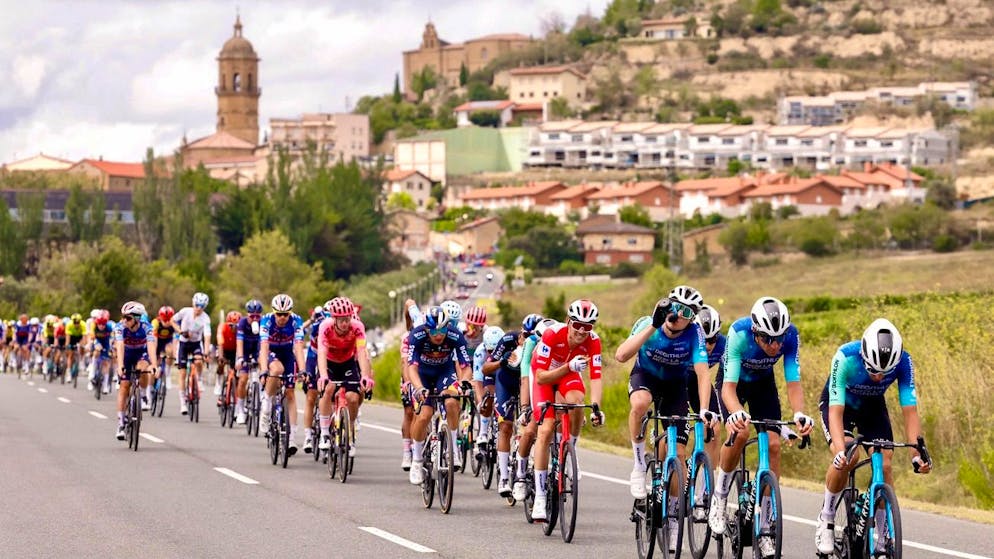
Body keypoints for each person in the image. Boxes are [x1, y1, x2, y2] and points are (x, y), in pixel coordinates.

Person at [814, 319, 931, 556]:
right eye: (873, 370)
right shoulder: (845, 357)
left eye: (885, 372)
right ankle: (826, 517)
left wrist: (916, 455)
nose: (878, 377)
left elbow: (910, 412)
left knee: (885, 463)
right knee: (849, 456)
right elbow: (835, 412)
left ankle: (883, 535)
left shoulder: (904, 362)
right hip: (840, 406)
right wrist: (839, 451)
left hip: (872, 407)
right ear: (864, 354)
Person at [708, 297, 815, 559]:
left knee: (775, 445)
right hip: (732, 384)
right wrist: (736, 413)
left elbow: (793, 382)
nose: (775, 345)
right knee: (740, 432)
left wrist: (799, 413)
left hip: (763, 386)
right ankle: (720, 496)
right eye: (768, 339)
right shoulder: (739, 333)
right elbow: (728, 389)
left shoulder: (791, 336)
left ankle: (766, 526)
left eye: (779, 338)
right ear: (756, 332)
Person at [615, 286, 718, 550]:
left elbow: (703, 373)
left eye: (686, 312)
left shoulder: (695, 333)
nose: (678, 315)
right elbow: (621, 356)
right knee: (640, 403)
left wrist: (704, 408)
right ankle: (639, 465)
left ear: (692, 318)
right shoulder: (648, 323)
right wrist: (653, 325)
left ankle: (673, 520)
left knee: (677, 454)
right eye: (675, 307)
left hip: (674, 386)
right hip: (645, 377)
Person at [530, 299, 605, 521]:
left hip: (568, 375)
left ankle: (570, 449)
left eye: (587, 326)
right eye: (577, 325)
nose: (582, 331)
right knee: (546, 429)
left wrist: (596, 408)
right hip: (544, 377)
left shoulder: (594, 341)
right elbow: (541, 377)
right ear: (568, 321)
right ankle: (540, 496)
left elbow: (596, 376)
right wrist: (568, 367)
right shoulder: (552, 334)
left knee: (578, 401)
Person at [407, 306, 472, 485]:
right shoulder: (417, 335)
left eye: (442, 330)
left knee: (452, 403)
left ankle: (453, 449)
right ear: (427, 329)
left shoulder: (455, 335)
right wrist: (419, 388)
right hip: (423, 375)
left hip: (445, 372)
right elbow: (411, 368)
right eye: (434, 331)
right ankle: (417, 461)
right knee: (424, 415)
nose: (439, 335)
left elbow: (466, 367)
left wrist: (462, 383)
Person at [316, 296, 373, 458]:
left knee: (353, 398)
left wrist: (365, 376)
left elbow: (361, 352)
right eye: (341, 320)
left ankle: (350, 431)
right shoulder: (325, 327)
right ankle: (325, 433)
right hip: (329, 362)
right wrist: (323, 375)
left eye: (347, 319)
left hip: (347, 362)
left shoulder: (357, 327)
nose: (345, 323)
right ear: (334, 318)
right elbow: (322, 352)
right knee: (328, 389)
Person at [259, 293, 305, 455]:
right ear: (274, 312)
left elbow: (298, 347)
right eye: (279, 314)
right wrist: (264, 369)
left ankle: (291, 438)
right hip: (270, 352)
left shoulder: (296, 321)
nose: (282, 317)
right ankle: (266, 405)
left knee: (291, 393)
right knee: (277, 370)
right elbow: (264, 347)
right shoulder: (266, 320)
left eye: (286, 314)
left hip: (287, 353)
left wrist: (302, 370)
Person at [114, 302, 157, 440]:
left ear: (137, 318)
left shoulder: (147, 327)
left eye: (128, 318)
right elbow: (120, 345)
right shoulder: (120, 327)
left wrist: (154, 365)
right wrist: (120, 365)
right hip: (126, 354)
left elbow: (151, 345)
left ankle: (143, 395)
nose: (124, 320)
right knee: (124, 386)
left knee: (142, 369)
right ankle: (121, 423)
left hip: (141, 353)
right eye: (123, 317)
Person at [170, 293, 212, 415]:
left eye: (202, 306)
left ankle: (199, 379)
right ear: (193, 303)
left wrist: (206, 352)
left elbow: (207, 336)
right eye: (197, 305)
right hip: (183, 344)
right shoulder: (185, 311)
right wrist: (180, 331)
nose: (199, 308)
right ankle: (183, 402)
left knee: (198, 361)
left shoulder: (205, 318)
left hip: (196, 344)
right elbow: (172, 320)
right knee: (182, 373)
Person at [399, 299, 424, 471]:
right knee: (410, 412)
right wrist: (409, 383)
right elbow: (405, 364)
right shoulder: (408, 338)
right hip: (410, 373)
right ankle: (407, 451)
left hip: (427, 371)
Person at [233, 299, 263, 424]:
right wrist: (240, 358)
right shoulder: (242, 323)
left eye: (257, 317)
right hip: (244, 350)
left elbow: (264, 343)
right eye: (252, 317)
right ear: (247, 315)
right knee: (243, 379)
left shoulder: (263, 323)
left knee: (263, 370)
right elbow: (239, 341)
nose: (254, 319)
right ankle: (240, 410)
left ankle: (261, 398)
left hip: (256, 349)